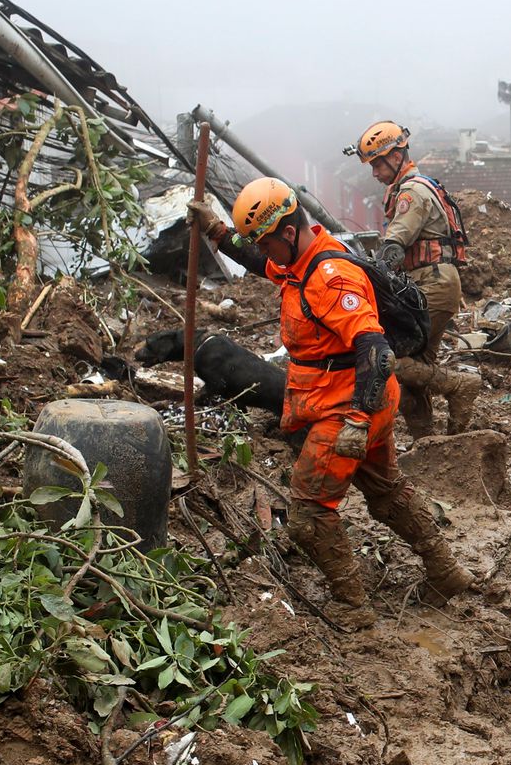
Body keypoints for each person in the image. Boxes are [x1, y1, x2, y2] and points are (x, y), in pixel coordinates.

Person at [189, 178, 473, 629]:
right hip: (349, 400)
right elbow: (262, 262)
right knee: (385, 492)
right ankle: (446, 570)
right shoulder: (298, 259)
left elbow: (376, 351)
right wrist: (217, 232)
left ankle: (353, 606)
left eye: (266, 239)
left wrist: (357, 421)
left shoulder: (331, 277)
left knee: (307, 512)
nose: (264, 250)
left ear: (287, 231)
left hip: (350, 406)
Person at [347, 121, 483, 437]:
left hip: (430, 287)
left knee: (387, 358)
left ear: (397, 155)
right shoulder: (417, 187)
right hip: (432, 285)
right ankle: (429, 443)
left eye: (378, 163)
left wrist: (373, 282)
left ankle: (460, 385)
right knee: (415, 371)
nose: (375, 173)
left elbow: (395, 244)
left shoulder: (412, 193)